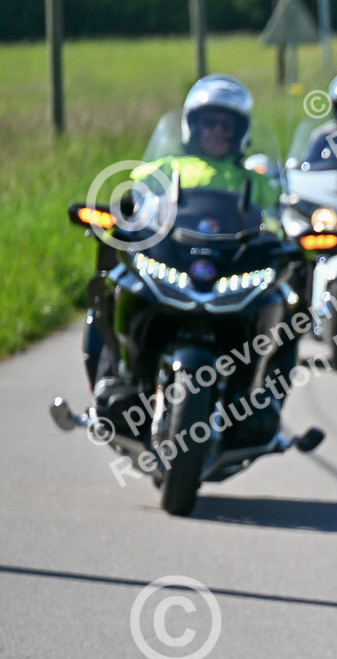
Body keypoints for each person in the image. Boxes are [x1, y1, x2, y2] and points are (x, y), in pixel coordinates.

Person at [88, 75, 280, 428]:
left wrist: (291, 230)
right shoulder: (163, 168)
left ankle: (260, 396)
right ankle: (111, 378)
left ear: (240, 132)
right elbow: (134, 202)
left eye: (226, 125)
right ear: (192, 126)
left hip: (228, 268)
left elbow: (279, 215)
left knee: (280, 299)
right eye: (209, 123)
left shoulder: (255, 180)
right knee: (115, 284)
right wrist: (120, 212)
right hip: (173, 259)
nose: (217, 131)